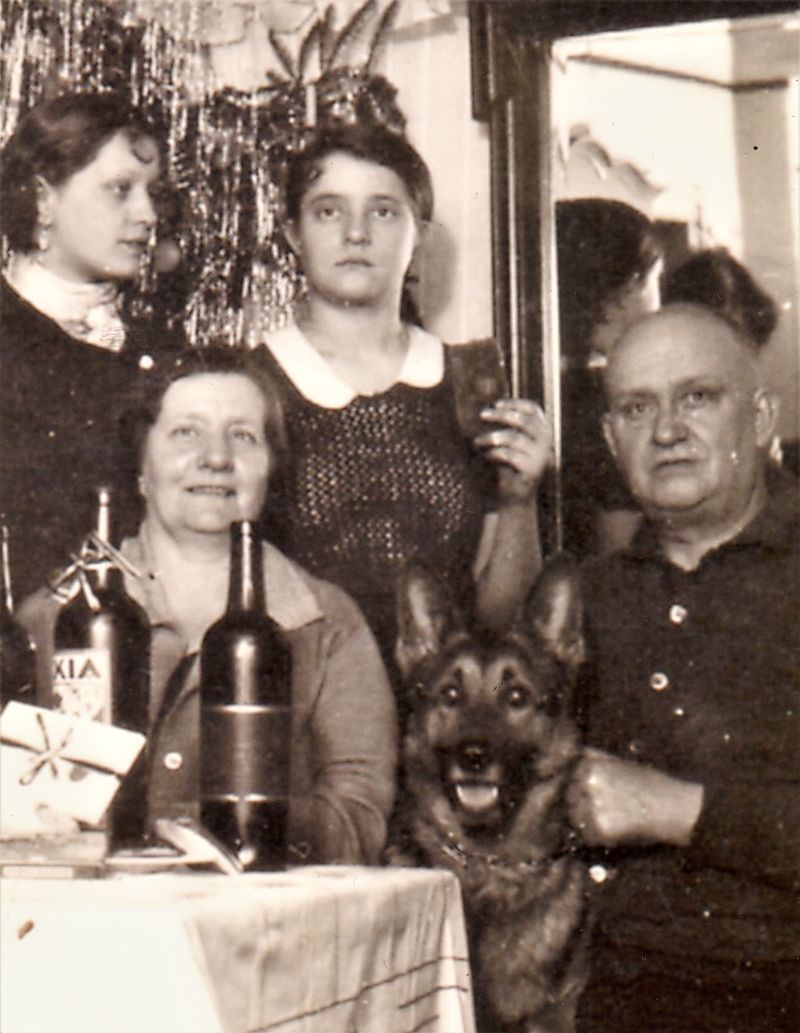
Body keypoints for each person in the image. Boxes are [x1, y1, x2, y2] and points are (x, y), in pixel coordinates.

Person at [17, 346, 397, 865]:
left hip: (261, 913)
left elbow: (360, 818)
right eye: (185, 433)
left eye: (243, 436)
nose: (216, 458)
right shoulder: (53, 616)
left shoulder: (330, 622)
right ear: (140, 468)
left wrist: (226, 827)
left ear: (271, 468)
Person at [567, 303, 799, 1032]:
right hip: (610, 999)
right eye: (637, 408)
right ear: (612, 438)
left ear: (761, 418)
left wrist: (678, 810)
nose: (666, 430)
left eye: (697, 397)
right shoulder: (584, 598)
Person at [256, 123, 552, 684]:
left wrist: (520, 501)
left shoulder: (471, 379)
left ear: (420, 233)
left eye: (384, 211)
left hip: (444, 713)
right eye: (328, 211)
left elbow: (501, 620)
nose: (356, 233)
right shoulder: (251, 384)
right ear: (293, 233)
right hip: (305, 707)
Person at [0, 91, 183, 602]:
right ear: (43, 200)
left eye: (153, 193)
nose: (147, 214)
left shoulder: (163, 352)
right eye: (120, 190)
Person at [556, 197, 663, 557]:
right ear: (626, 290)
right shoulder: (606, 396)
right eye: (655, 281)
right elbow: (619, 546)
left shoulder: (558, 384)